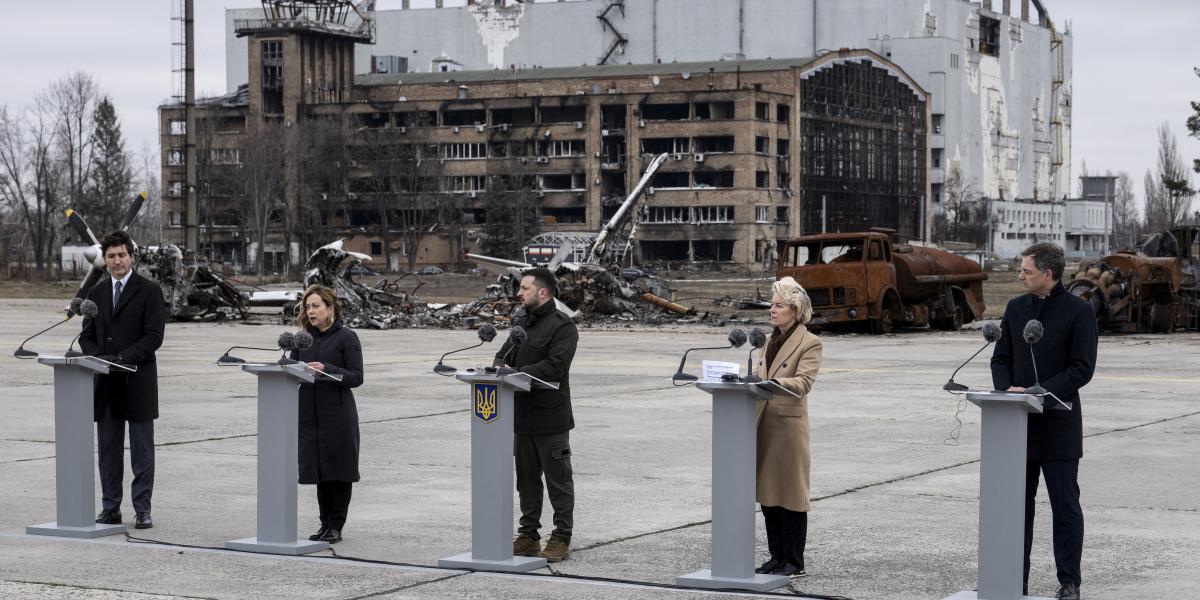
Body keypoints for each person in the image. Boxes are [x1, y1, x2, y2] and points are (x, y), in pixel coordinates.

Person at [990, 242, 1097, 600]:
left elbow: (1082, 368)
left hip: (1059, 426)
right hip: (1016, 426)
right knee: (1017, 508)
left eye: (1026, 271)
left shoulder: (1079, 312)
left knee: (1065, 506)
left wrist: (1040, 391)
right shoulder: (1015, 308)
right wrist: (1010, 393)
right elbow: (1000, 359)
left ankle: (1070, 581)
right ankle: (1011, 579)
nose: (1020, 275)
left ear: (1047, 275)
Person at [80, 230, 166, 530]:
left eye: (122, 255)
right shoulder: (96, 295)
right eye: (111, 256)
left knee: (142, 451)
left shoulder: (150, 291)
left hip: (137, 381)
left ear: (132, 257)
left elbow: (154, 336)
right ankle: (110, 507)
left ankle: (142, 509)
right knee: (107, 451)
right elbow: (86, 336)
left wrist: (123, 358)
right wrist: (98, 358)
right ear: (105, 260)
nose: (116, 261)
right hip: (106, 383)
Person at [495, 268, 579, 563]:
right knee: (526, 481)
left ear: (543, 292)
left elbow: (555, 366)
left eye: (524, 288)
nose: (519, 293)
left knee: (558, 481)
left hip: (550, 419)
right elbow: (502, 356)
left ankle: (561, 538)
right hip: (522, 417)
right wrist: (498, 371)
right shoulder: (521, 323)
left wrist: (516, 373)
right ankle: (528, 535)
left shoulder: (563, 327)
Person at [753, 276, 822, 578]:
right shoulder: (769, 340)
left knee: (791, 496)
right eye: (772, 304)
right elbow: (758, 373)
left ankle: (794, 561)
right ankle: (776, 556)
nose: (772, 309)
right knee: (769, 496)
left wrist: (773, 383)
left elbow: (804, 383)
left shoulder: (810, 342)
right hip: (764, 424)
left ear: (795, 309)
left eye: (779, 305)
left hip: (789, 428)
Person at [292, 285, 364, 544]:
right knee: (320, 471)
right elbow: (291, 370)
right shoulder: (302, 339)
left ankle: (335, 525)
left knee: (339, 470)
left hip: (338, 414)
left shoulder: (347, 337)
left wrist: (326, 369)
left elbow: (356, 377)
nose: (310, 311)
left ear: (330, 308)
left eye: (316, 306)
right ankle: (324, 523)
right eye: (307, 307)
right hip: (310, 415)